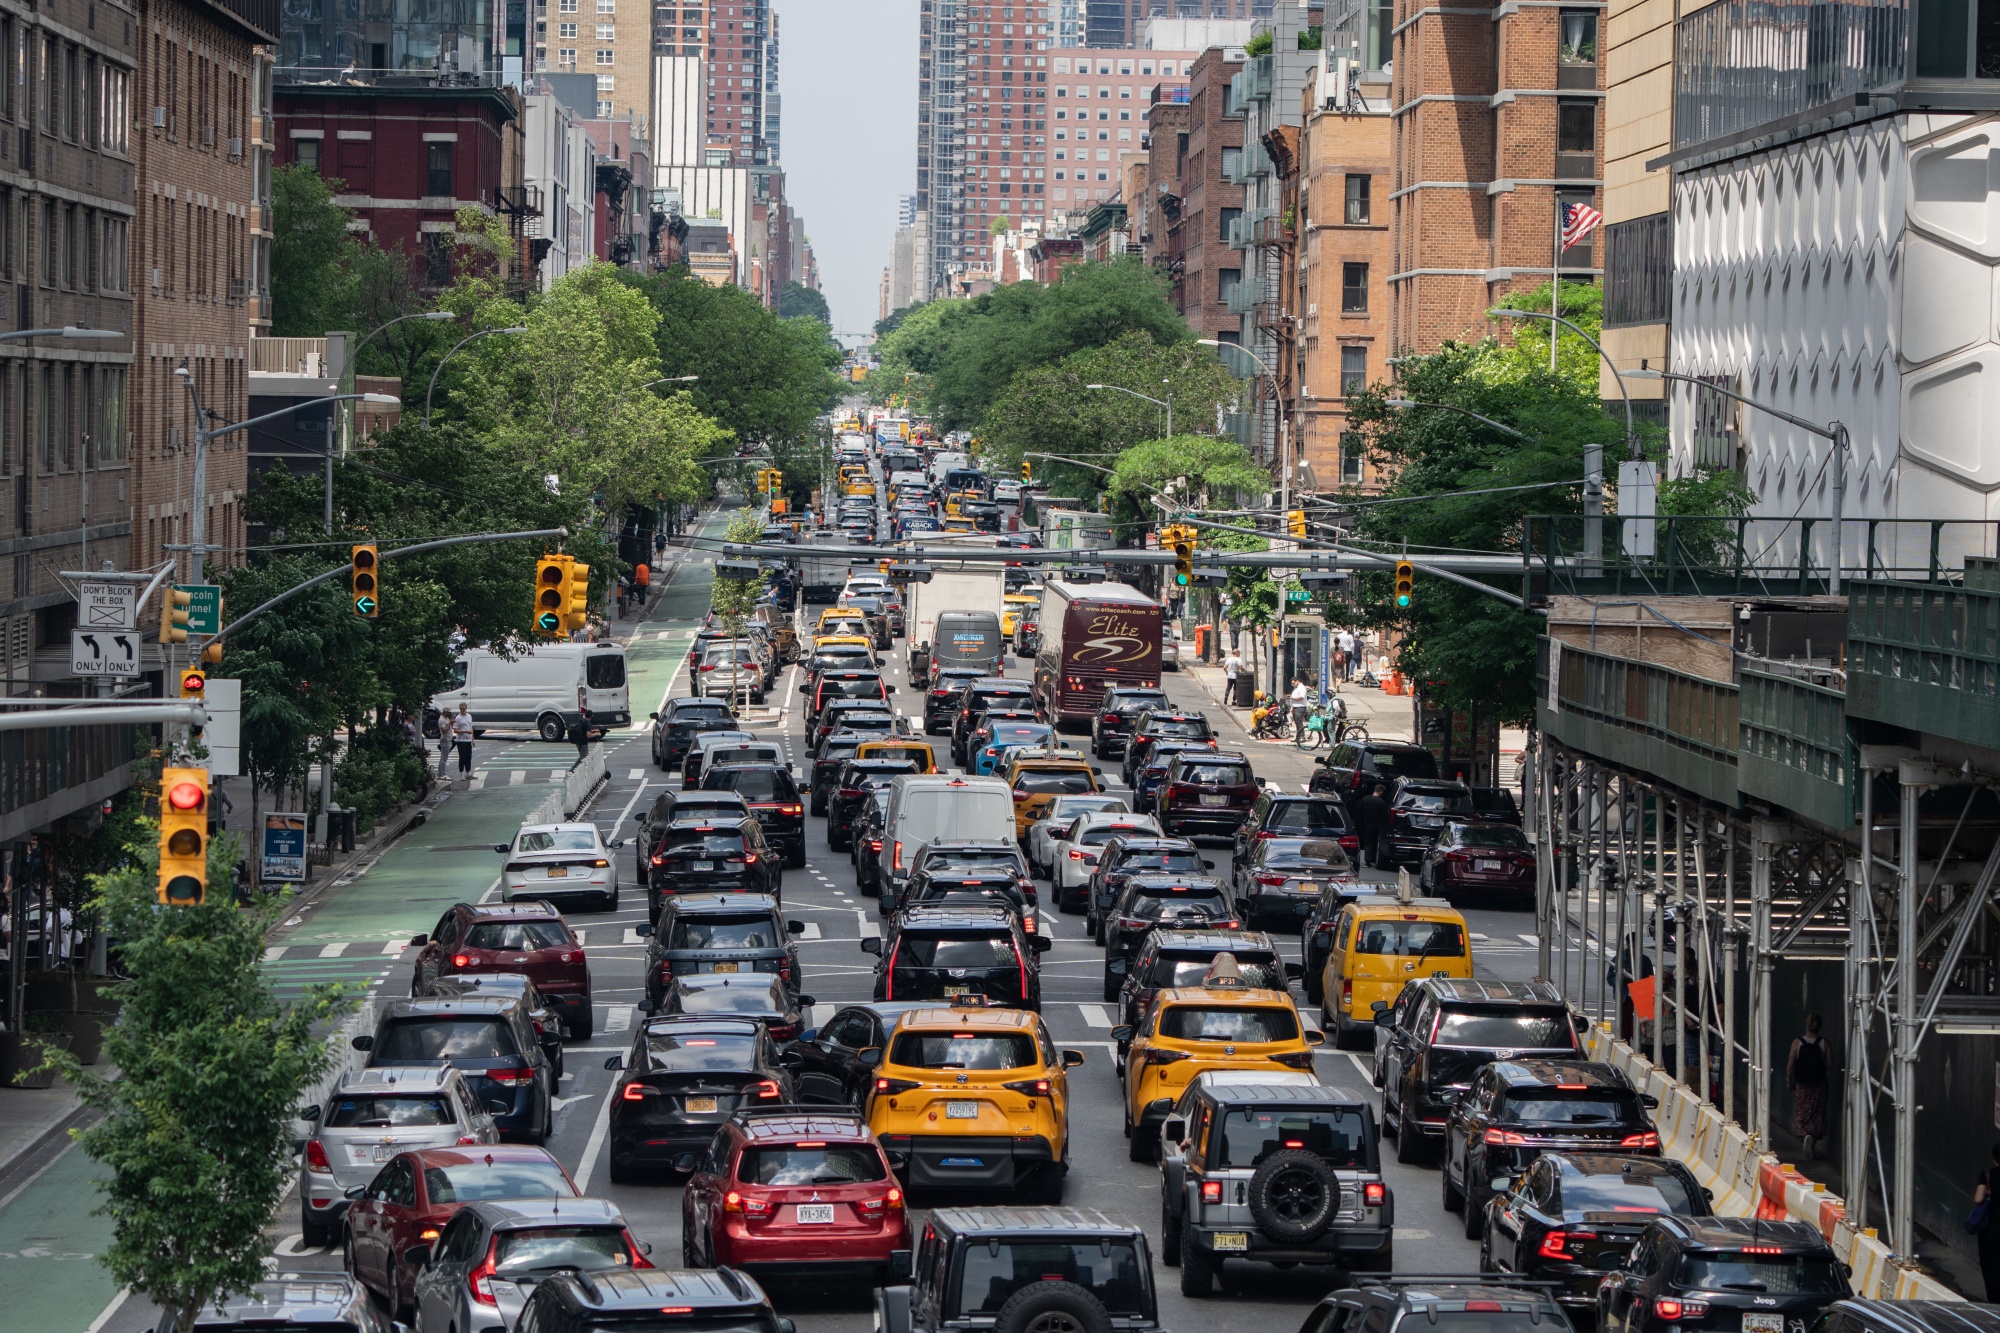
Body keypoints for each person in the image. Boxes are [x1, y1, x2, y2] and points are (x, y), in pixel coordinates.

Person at [1786, 1013, 1833, 1159]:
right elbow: (1830, 1065)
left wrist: (1790, 1080)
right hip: (1819, 1083)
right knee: (1817, 1113)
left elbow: (1790, 1066)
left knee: (1802, 1111)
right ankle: (1811, 1140)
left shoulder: (1797, 1043)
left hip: (1802, 1083)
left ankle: (1805, 1135)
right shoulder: (1825, 1043)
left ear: (1807, 1024)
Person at [1975, 1144, 2000, 1299]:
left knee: (1990, 1264)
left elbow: (1978, 1198)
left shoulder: (1987, 1174)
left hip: (1991, 1227)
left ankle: (1994, 1299)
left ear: (1994, 1158)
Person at [1355, 783, 1389, 868]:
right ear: (1380, 792)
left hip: (1365, 824)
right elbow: (1383, 815)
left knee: (1367, 842)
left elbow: (1358, 812)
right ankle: (1371, 859)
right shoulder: (1381, 802)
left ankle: (1368, 860)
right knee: (1374, 842)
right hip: (1376, 825)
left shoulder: (1364, 799)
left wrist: (1359, 824)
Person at [447, 703, 475, 778]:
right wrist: (465, 731)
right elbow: (455, 730)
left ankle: (468, 772)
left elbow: (471, 728)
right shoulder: (458, 718)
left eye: (463, 708)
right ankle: (461, 772)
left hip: (468, 739)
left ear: (466, 708)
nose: (462, 710)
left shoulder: (469, 716)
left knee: (469, 756)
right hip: (460, 740)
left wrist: (473, 739)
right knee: (462, 757)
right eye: (461, 709)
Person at [568, 703, 595, 770]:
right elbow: (588, 735)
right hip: (583, 742)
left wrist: (593, 731)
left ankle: (574, 769)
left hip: (578, 741)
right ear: (591, 716)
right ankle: (574, 769)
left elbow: (583, 730)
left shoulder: (581, 720)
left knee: (582, 757)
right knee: (584, 758)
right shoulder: (588, 723)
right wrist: (596, 734)